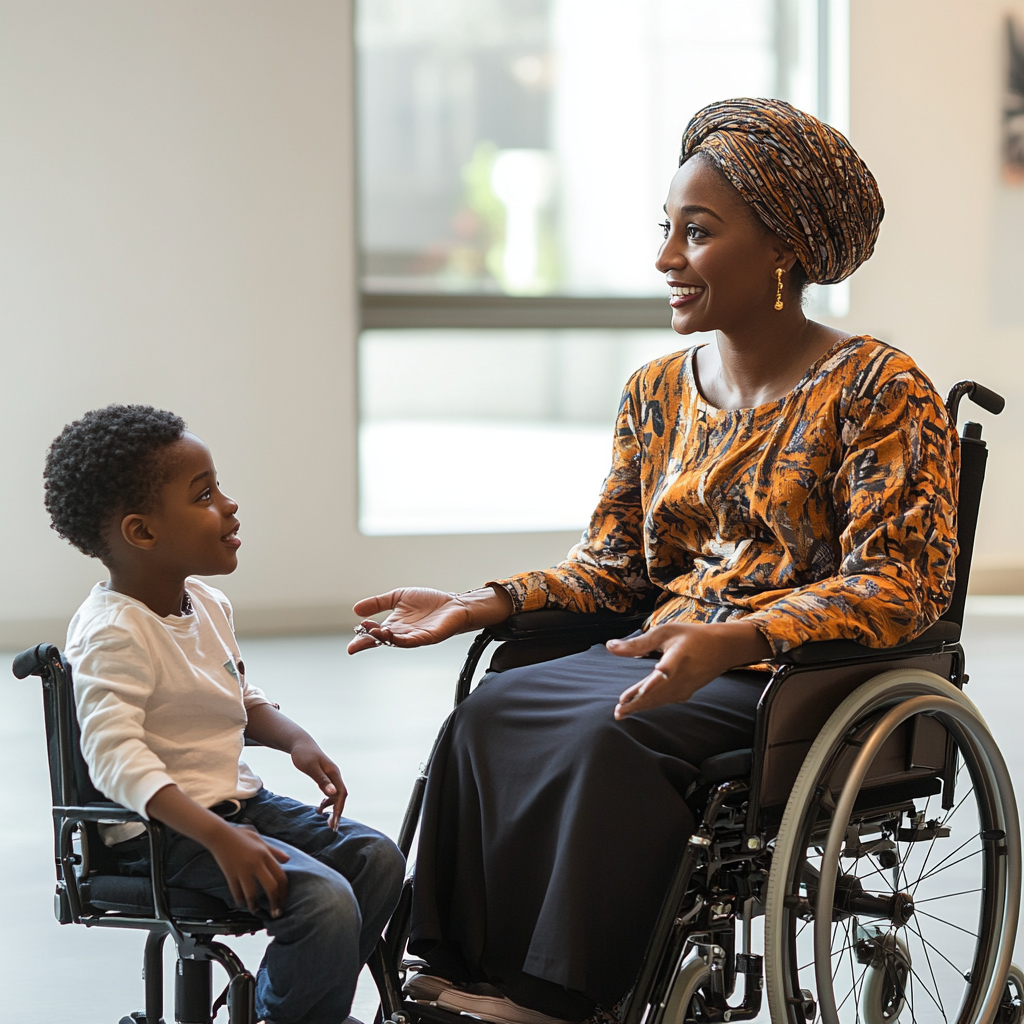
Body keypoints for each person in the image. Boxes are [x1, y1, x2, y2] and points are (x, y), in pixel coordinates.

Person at [348, 98, 958, 1023]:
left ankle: (556, 996)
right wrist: (488, 605)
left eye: (697, 233)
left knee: (608, 739)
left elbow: (902, 584)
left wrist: (737, 636)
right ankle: (466, 970)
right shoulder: (656, 390)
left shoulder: (880, 387)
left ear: (784, 246)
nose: (666, 258)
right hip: (666, 645)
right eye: (665, 230)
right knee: (492, 710)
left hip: (794, 673)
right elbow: (613, 571)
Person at [45, 404, 405, 1024]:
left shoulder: (205, 603)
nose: (230, 505)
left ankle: (291, 1009)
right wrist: (218, 837)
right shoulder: (113, 632)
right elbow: (114, 760)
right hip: (159, 833)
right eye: (205, 495)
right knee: (323, 903)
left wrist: (294, 739)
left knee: (375, 860)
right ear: (143, 532)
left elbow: (237, 696)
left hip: (234, 805)